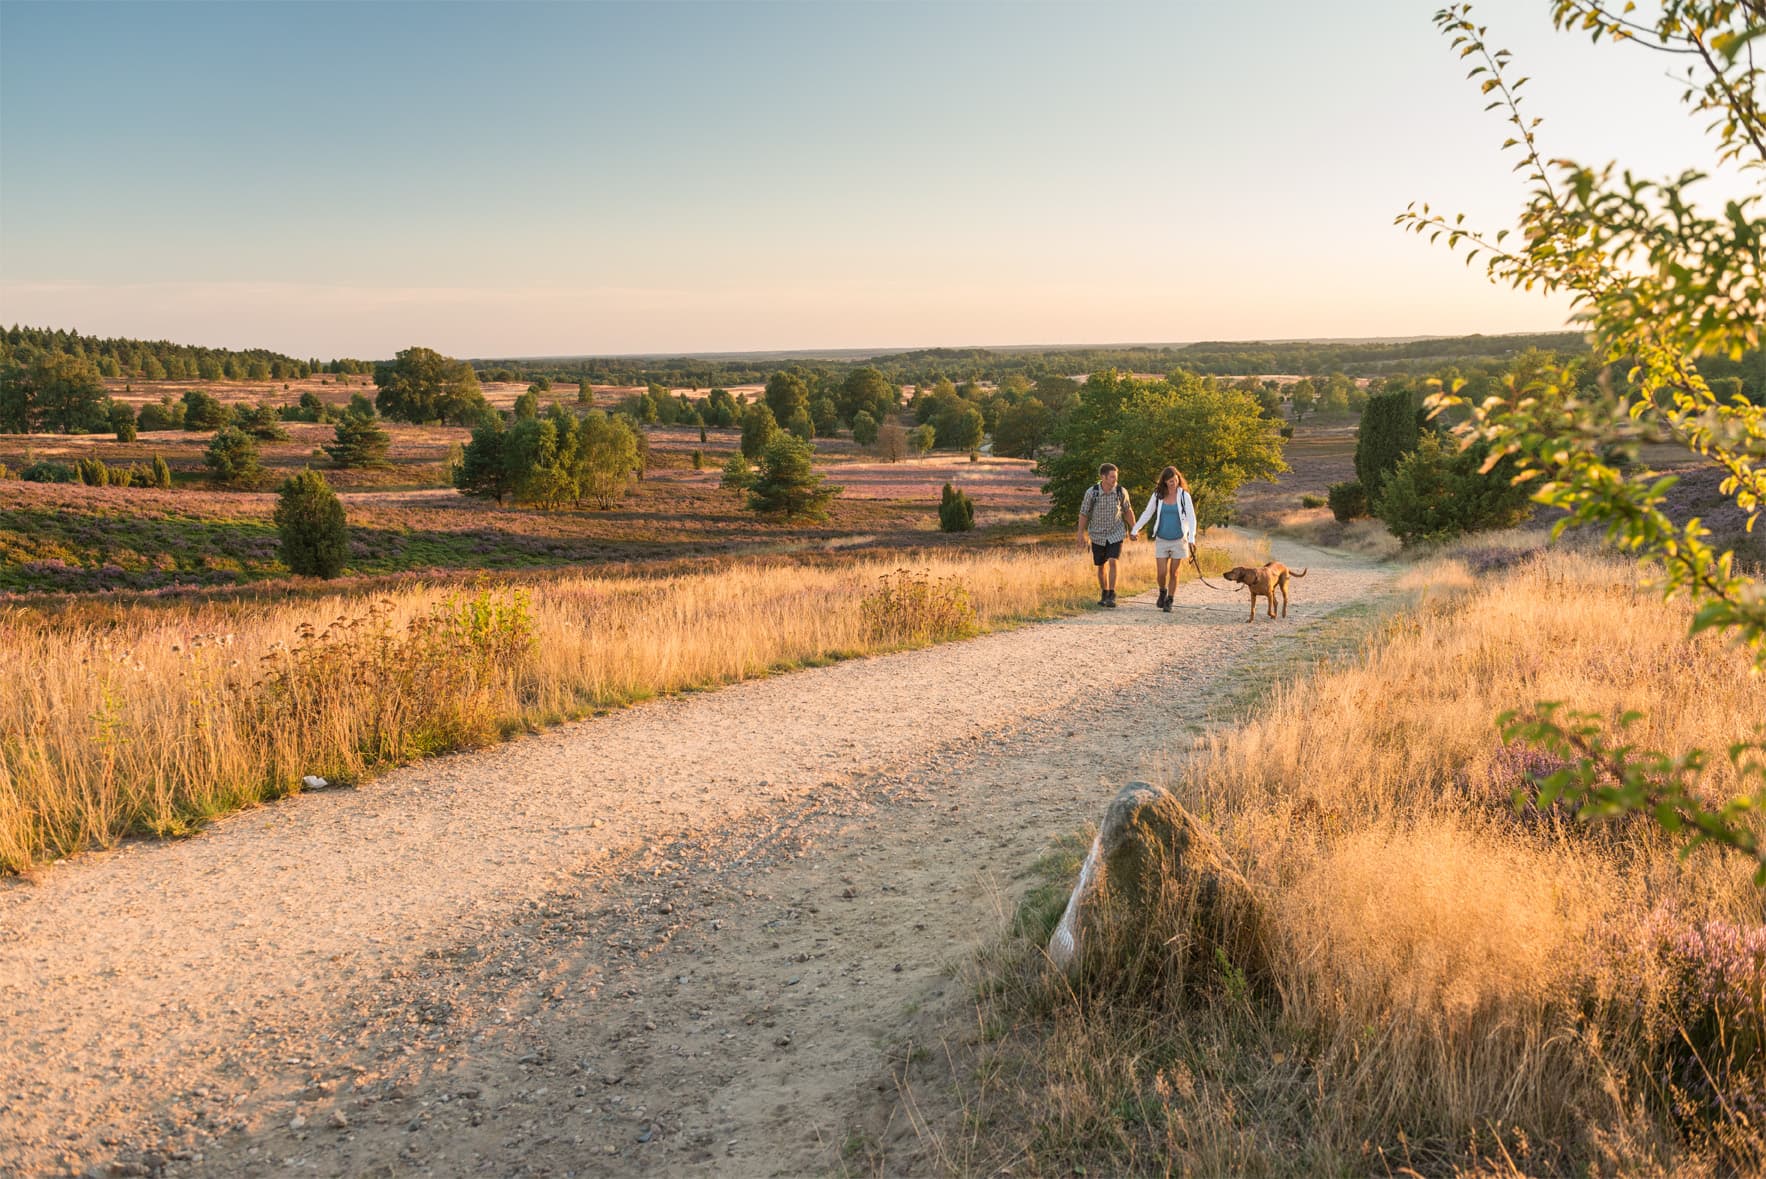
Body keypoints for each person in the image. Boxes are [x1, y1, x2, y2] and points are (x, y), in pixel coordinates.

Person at [1130, 465, 1197, 612]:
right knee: (1161, 573)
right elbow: (1147, 513)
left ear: (1179, 479)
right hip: (1162, 538)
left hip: (1179, 539)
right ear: (1165, 481)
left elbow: (1192, 518)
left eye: (1175, 480)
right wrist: (1135, 529)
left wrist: (1191, 538)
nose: (1173, 483)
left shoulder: (1184, 496)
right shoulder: (1158, 495)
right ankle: (1162, 591)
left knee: (1174, 572)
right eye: (1170, 481)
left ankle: (1170, 600)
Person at [1076, 462, 1134, 607]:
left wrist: (1134, 528)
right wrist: (1080, 534)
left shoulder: (1121, 491)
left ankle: (1112, 594)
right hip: (1097, 535)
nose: (1115, 480)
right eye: (1112, 477)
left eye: (1116, 477)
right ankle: (1105, 592)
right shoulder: (1092, 493)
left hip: (1116, 532)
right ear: (1103, 477)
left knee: (1113, 561)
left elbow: (1127, 510)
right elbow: (1084, 513)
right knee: (1101, 566)